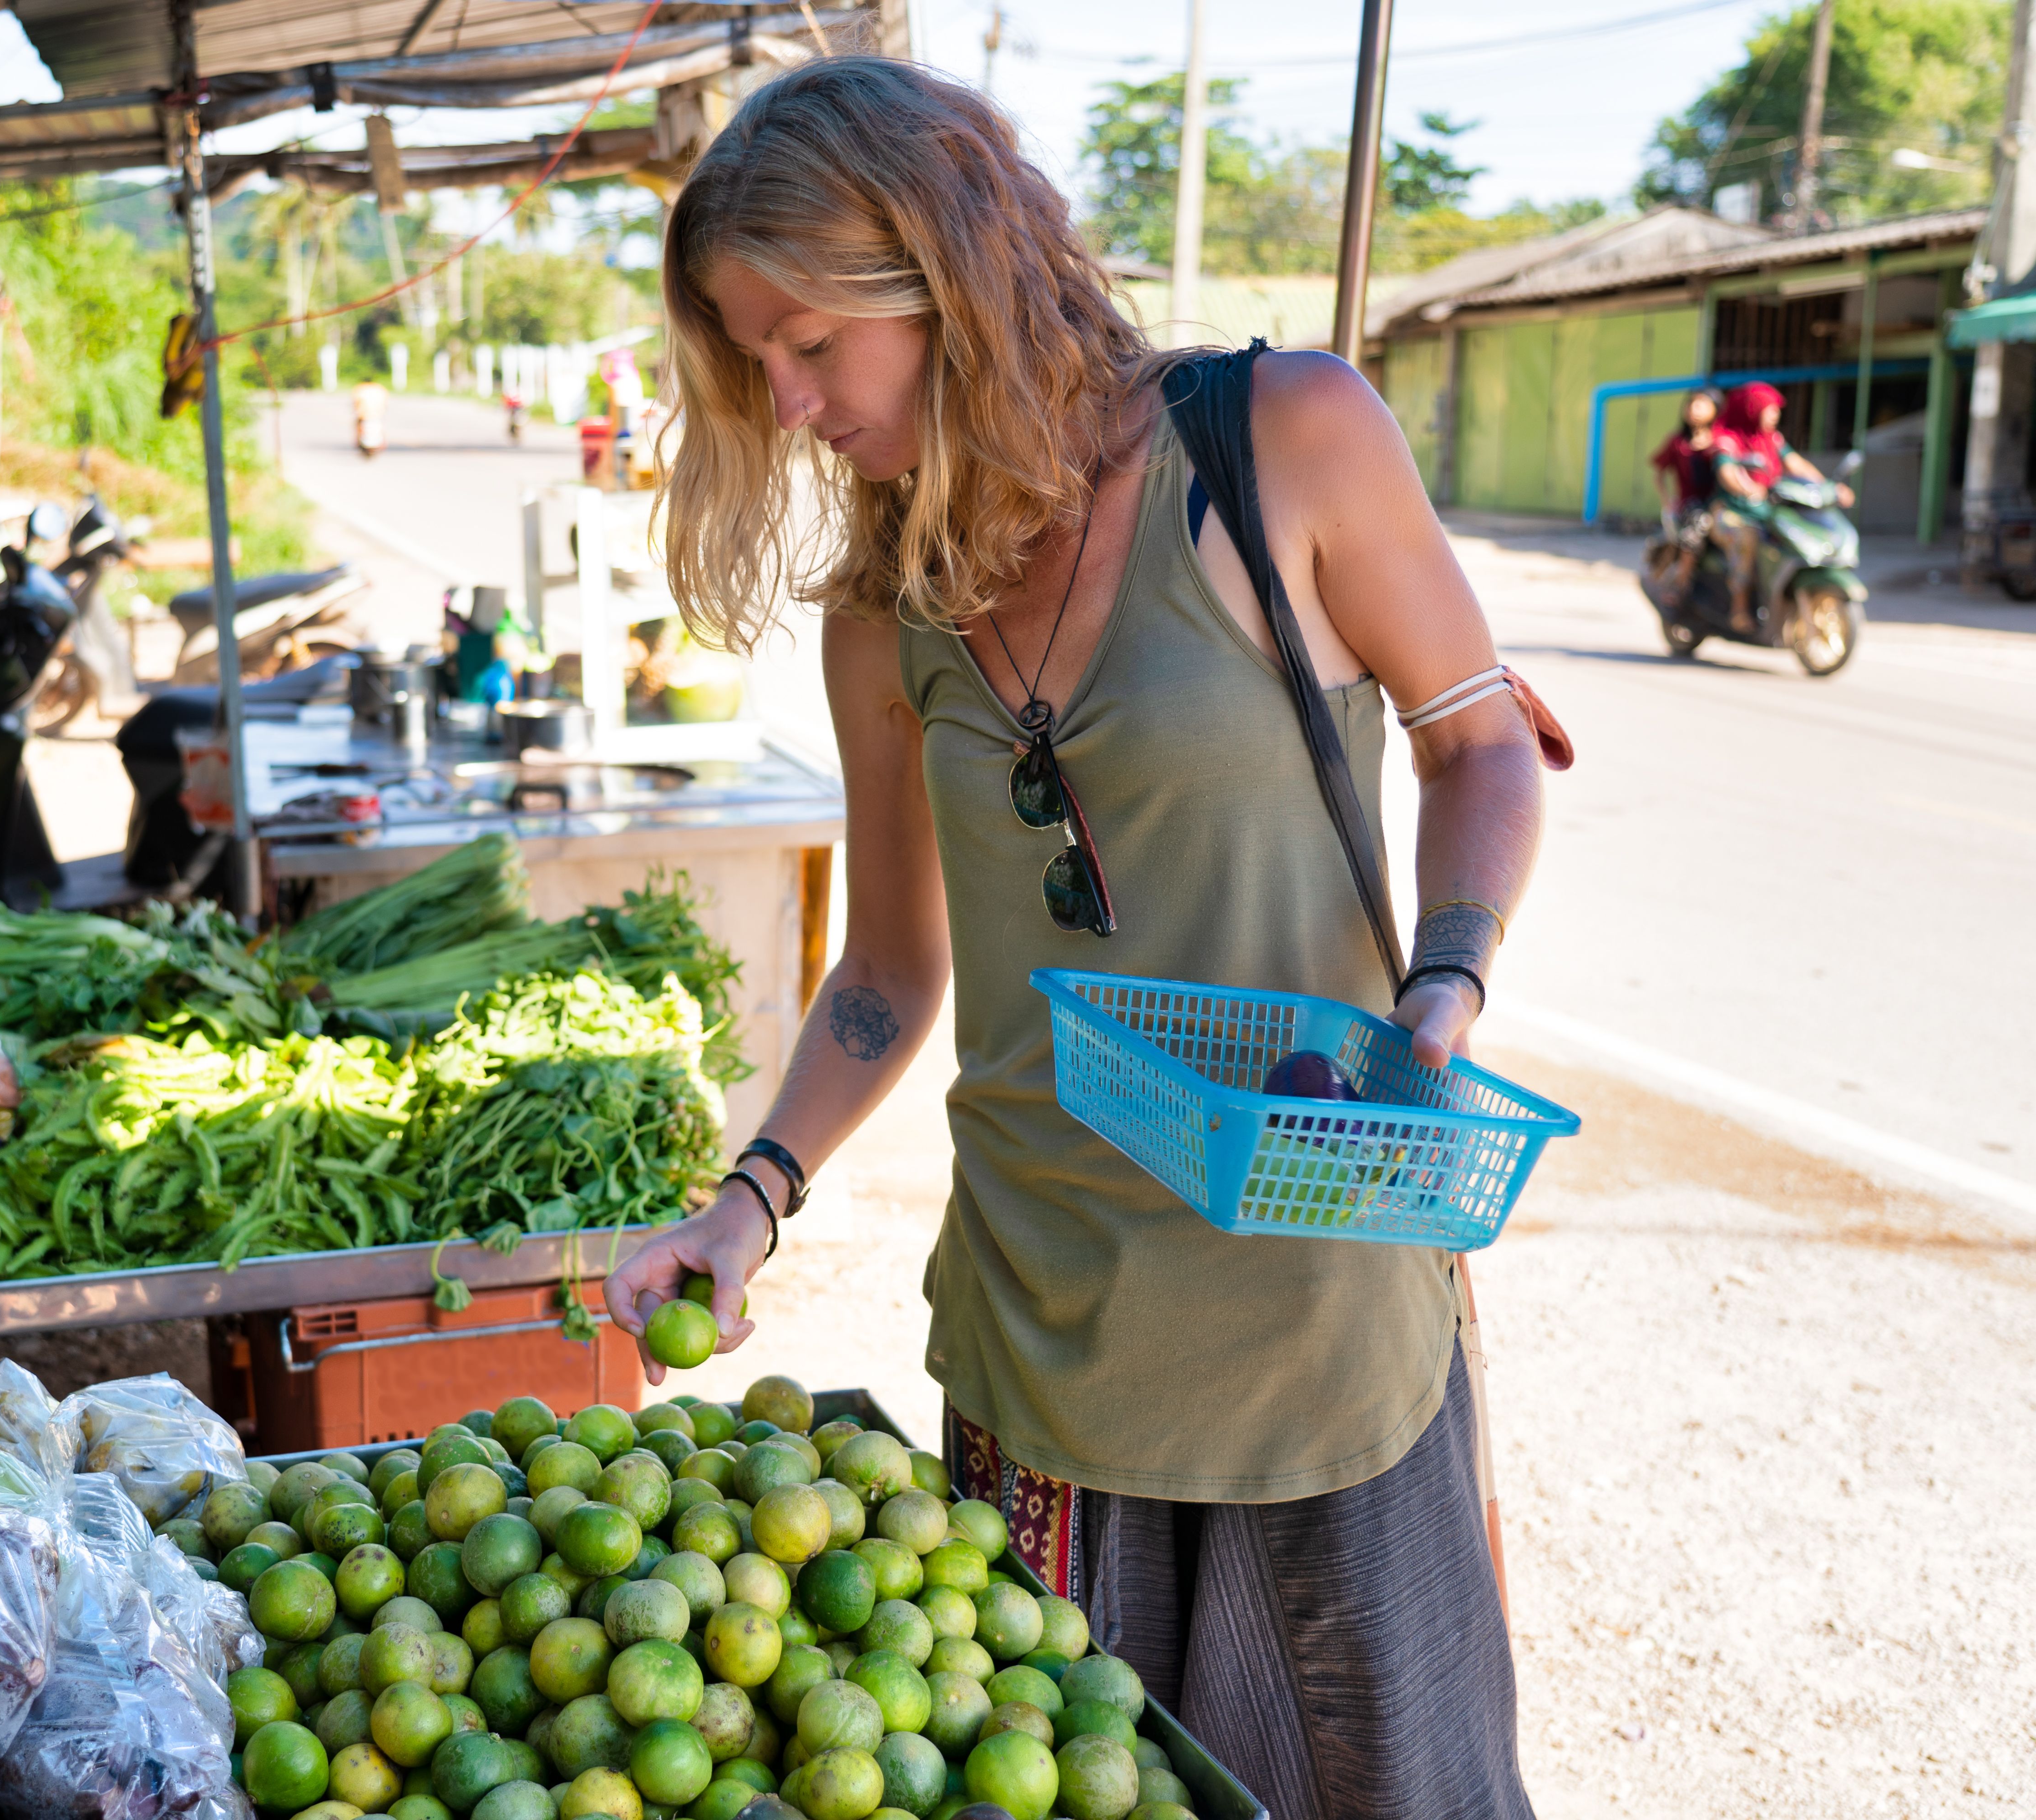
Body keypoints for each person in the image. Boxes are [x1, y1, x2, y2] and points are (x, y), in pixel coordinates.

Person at [597, 60, 1555, 1817]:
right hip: (1041, 1345)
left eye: (810, 342)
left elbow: (1481, 738)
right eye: (754, 362)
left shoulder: (1279, 441)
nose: (790, 403)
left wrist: (1450, 967)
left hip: (1318, 1313)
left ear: (944, 273)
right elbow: (888, 972)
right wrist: (746, 1202)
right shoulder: (882, 611)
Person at [1711, 380, 1851, 632]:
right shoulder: (1728, 439)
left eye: (1776, 411)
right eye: (1770, 410)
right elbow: (1727, 473)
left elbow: (1796, 464)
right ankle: (1739, 609)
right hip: (1733, 513)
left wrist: (1828, 488)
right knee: (1747, 542)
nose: (1775, 415)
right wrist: (1748, 489)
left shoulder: (1772, 439)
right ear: (1752, 409)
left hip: (1766, 510)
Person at [1649, 387, 1722, 605]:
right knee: (1696, 529)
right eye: (1691, 404)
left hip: (1722, 504)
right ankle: (1680, 584)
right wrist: (1667, 503)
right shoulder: (1678, 442)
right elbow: (1659, 474)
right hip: (1693, 506)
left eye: (1701, 404)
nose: (1694, 409)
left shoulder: (1723, 441)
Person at [350, 376, 389, 459]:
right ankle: (383, 442)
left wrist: (356, 409)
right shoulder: (379, 388)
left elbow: (356, 401)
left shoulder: (361, 388)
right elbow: (385, 401)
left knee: (358, 427)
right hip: (378, 414)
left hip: (364, 414)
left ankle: (357, 441)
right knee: (381, 428)